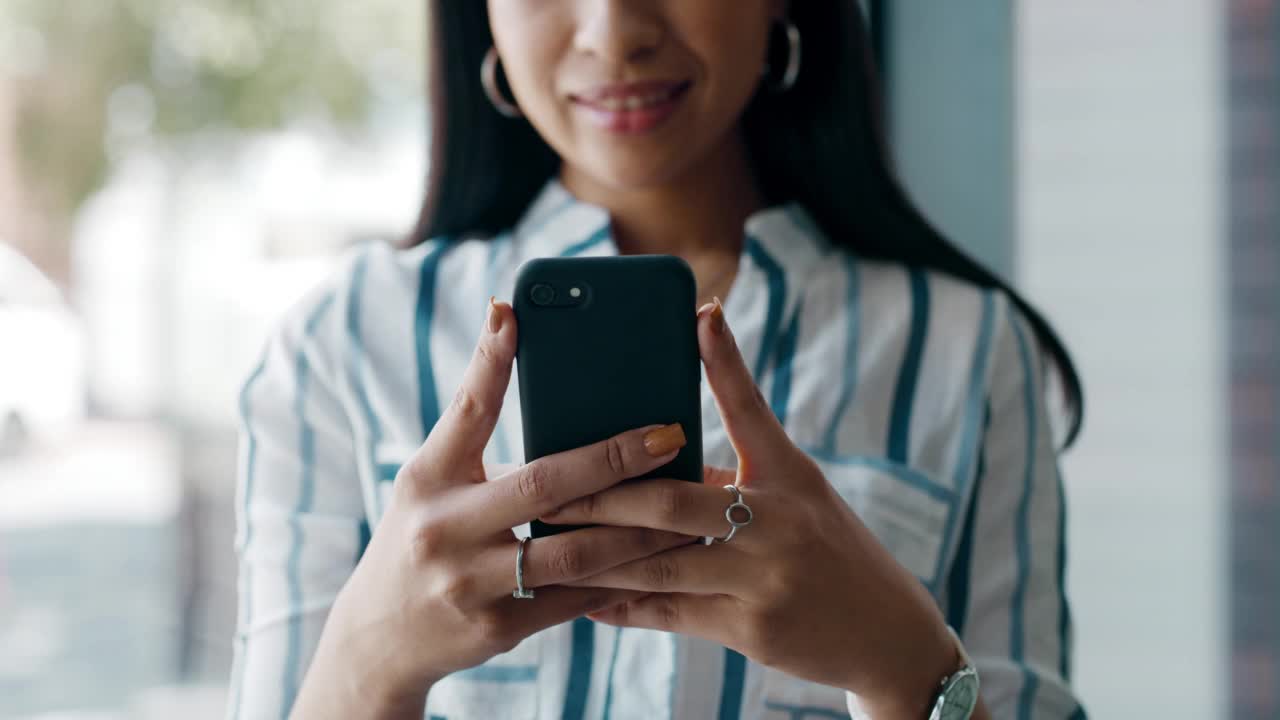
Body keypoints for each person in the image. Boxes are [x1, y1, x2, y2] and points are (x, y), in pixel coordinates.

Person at [227, 2, 1087, 719]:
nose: (614, 31)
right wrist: (371, 663)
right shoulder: (341, 345)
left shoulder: (966, 349)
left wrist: (907, 665)